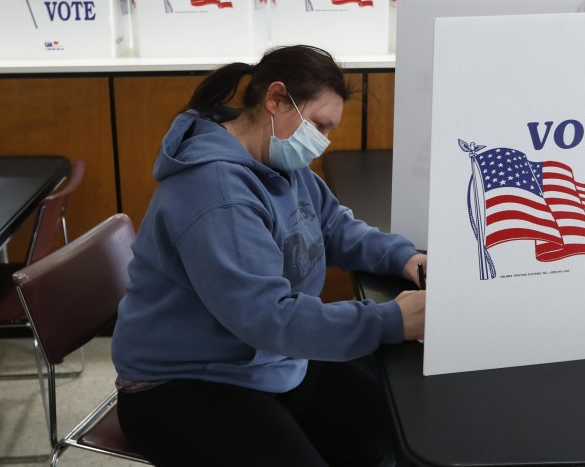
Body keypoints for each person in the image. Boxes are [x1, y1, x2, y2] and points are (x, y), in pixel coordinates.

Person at [112, 44, 426, 466]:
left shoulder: (279, 163)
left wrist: (405, 257)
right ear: (276, 99)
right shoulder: (217, 192)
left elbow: (333, 226)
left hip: (260, 360)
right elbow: (268, 317)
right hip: (181, 383)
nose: (323, 142)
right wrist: (391, 320)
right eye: (320, 125)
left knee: (395, 434)